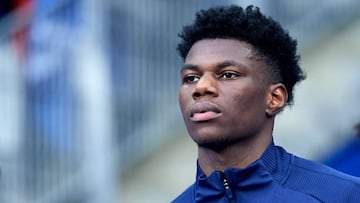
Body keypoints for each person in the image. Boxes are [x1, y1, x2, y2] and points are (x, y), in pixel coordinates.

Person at [172, 5, 360, 203]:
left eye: (228, 75)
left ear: (275, 98)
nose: (201, 87)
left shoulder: (343, 195)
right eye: (191, 78)